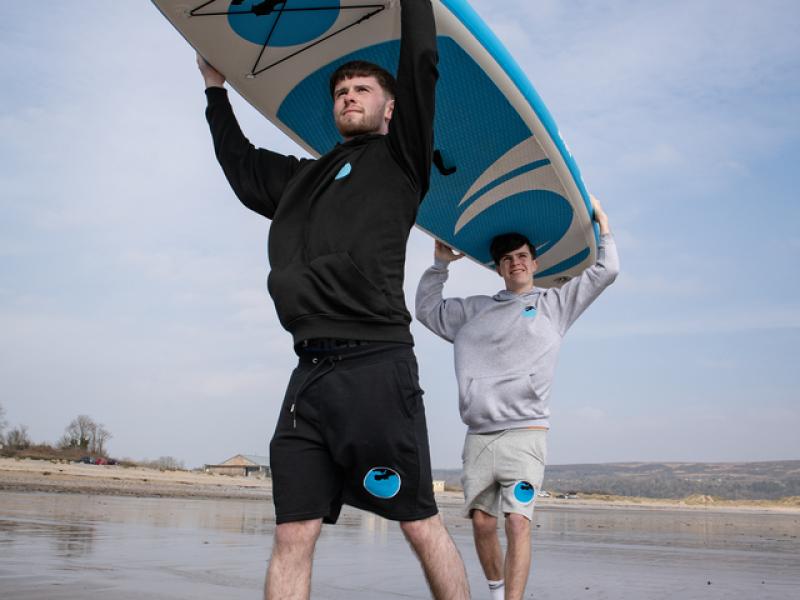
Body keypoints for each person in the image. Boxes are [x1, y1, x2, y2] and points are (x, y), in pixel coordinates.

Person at [195, 1, 470, 599]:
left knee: (418, 522)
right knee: (293, 532)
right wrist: (215, 91)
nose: (349, 95)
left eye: (362, 88)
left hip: (375, 366)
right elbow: (241, 170)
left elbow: (421, 59)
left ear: (389, 108)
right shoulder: (304, 179)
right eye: (341, 90)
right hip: (309, 377)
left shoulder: (401, 162)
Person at [415, 196, 619, 600]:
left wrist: (603, 225)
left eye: (523, 256)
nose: (516, 263)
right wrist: (439, 264)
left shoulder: (553, 306)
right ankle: (495, 591)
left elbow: (606, 270)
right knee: (482, 523)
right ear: (499, 268)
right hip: (479, 437)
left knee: (518, 522)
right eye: (507, 259)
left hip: (526, 435)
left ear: (535, 263)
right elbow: (426, 309)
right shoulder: (473, 312)